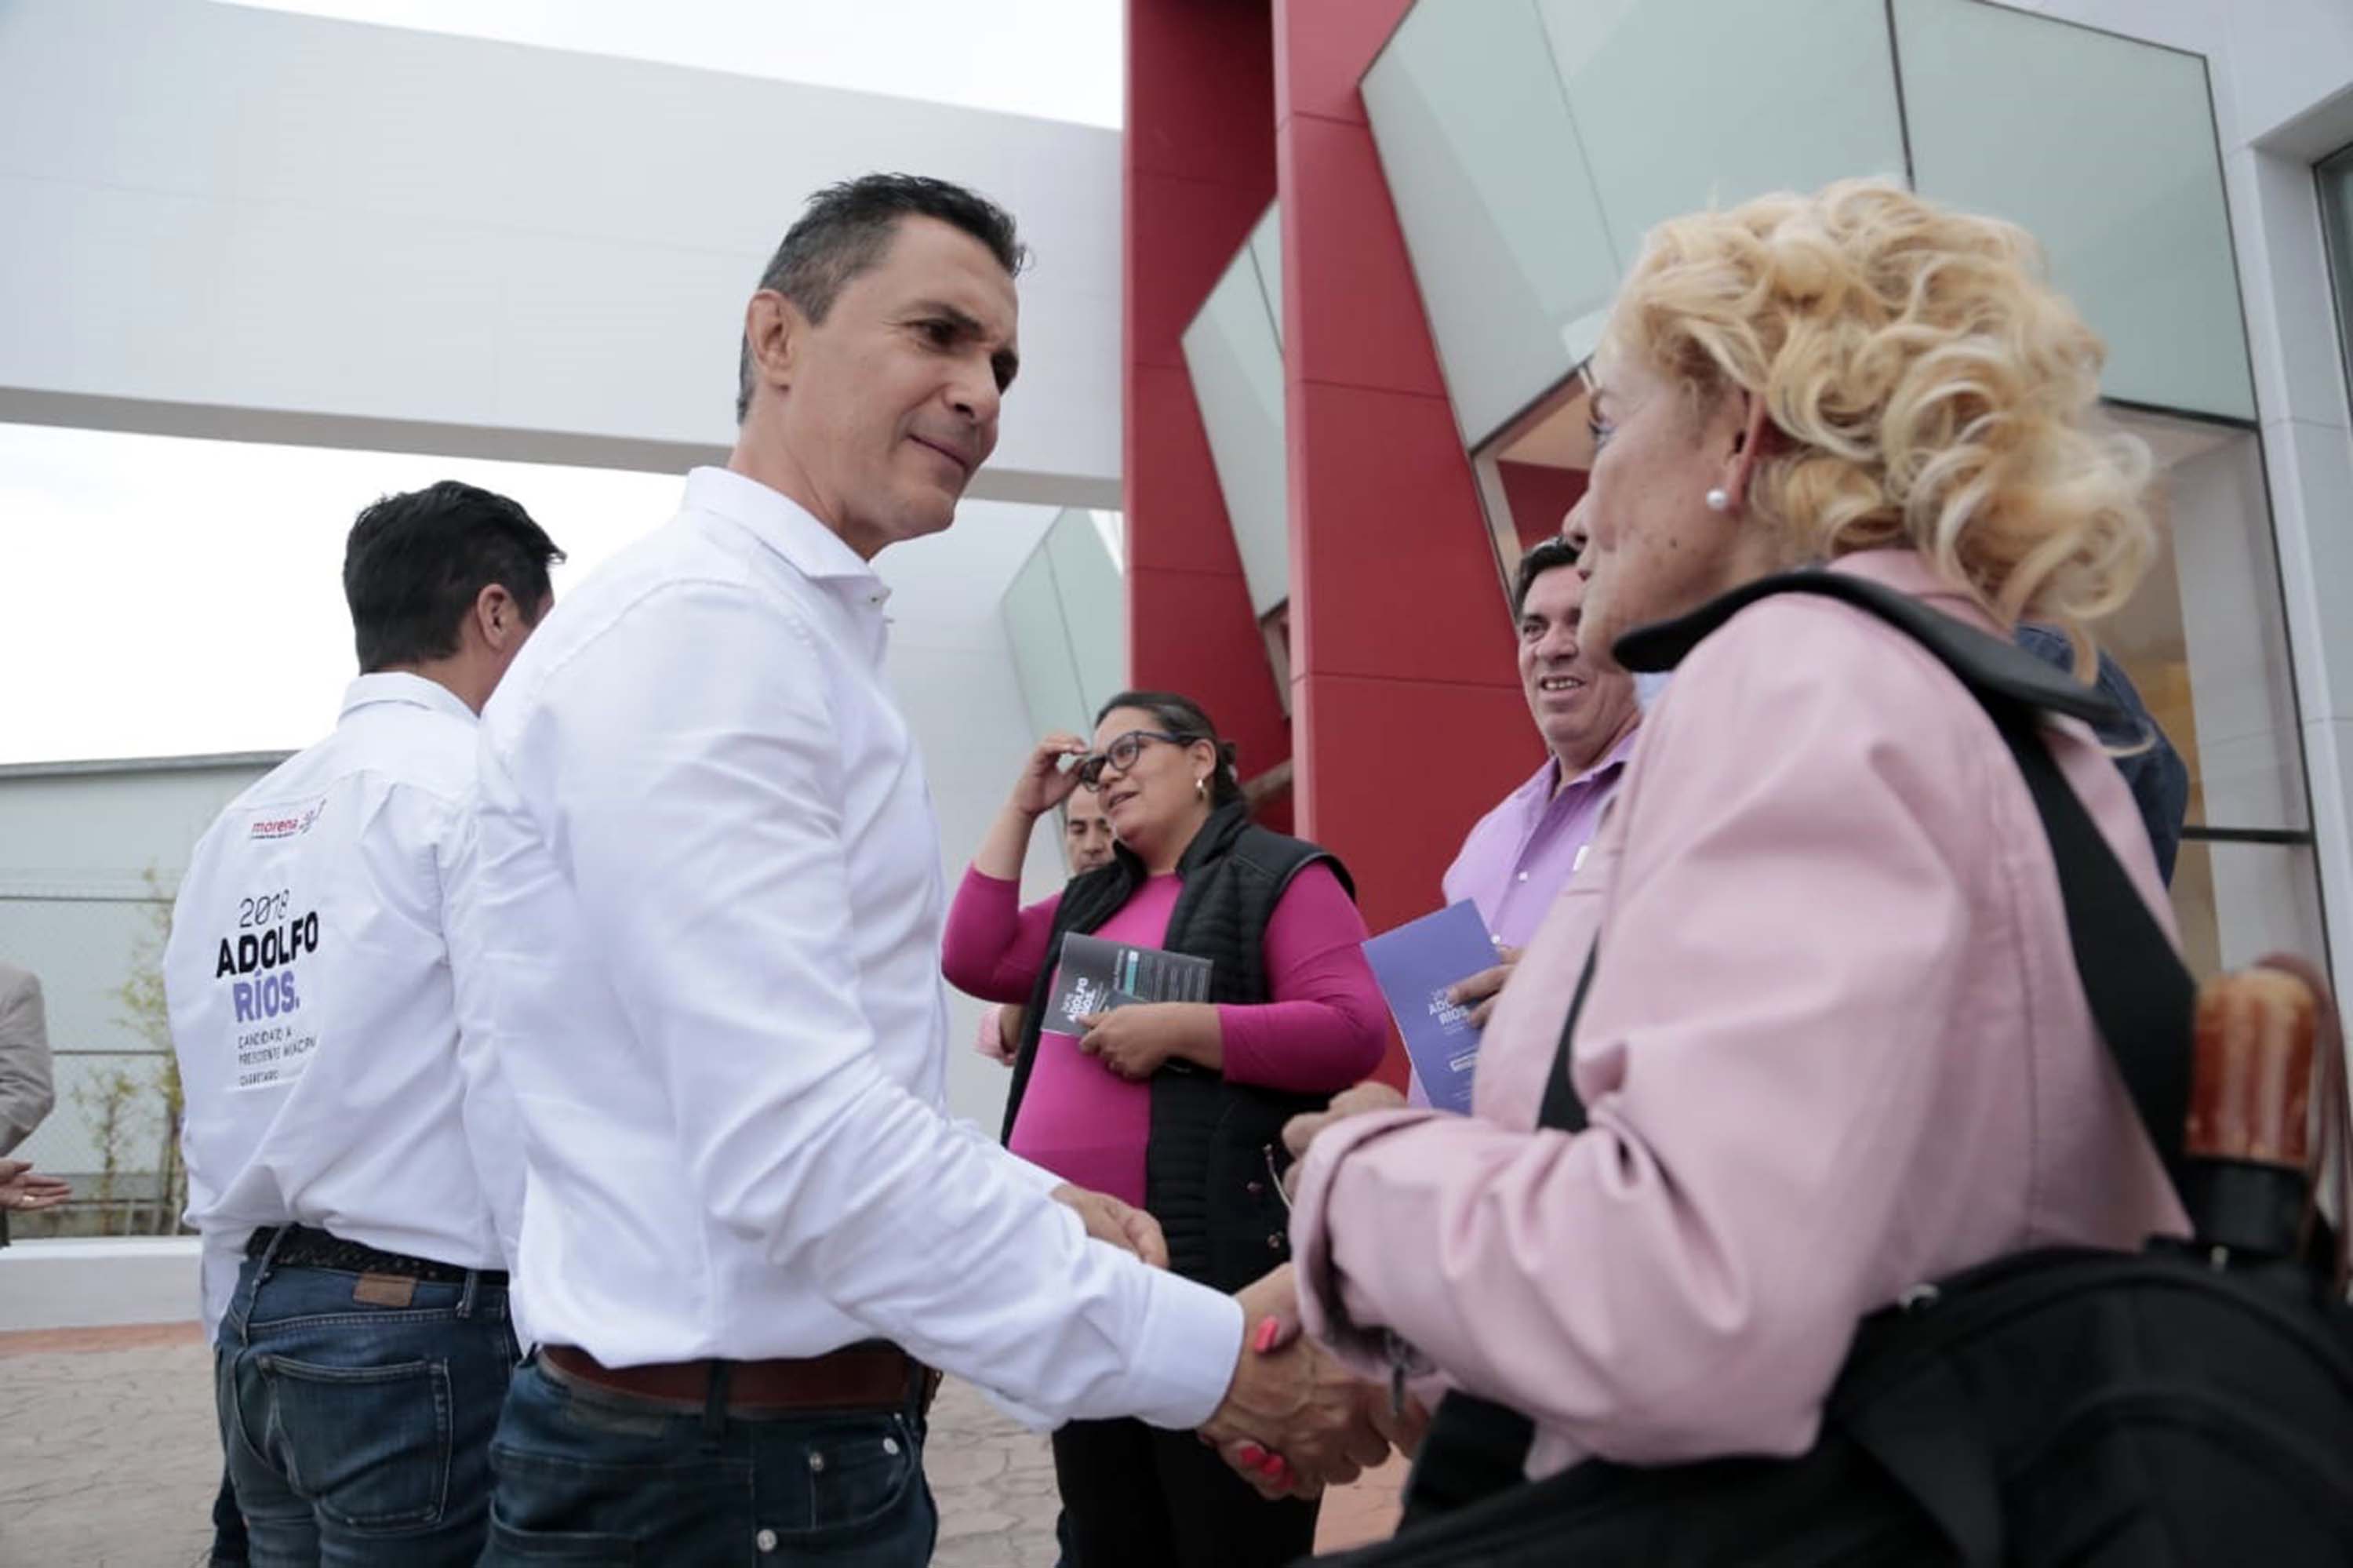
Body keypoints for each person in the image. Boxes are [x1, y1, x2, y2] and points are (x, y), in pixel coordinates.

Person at [460, 174, 1389, 1566]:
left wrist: (1028, 1205)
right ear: (777, 337)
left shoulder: (777, 637)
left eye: (1002, 362)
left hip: (760, 1454)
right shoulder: (709, 638)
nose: (982, 393)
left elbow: (810, 1097)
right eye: (939, 335)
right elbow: (799, 1141)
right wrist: (1219, 1357)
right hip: (716, 1475)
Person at [1282, 180, 2186, 1491]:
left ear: (1739, 433)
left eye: (1607, 425)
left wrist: (1358, 1176)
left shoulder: (1797, 675)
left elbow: (1686, 1302)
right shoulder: (1992, 698)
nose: (1581, 511)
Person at [164, 481, 562, 1566]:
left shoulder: (239, 827)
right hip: (420, 1322)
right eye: (542, 629)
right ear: (494, 612)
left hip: (260, 1320)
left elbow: (211, 1088)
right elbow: (510, 1066)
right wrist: (556, 1329)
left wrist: (226, 1312)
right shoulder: (474, 790)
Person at [943, 691, 1389, 1567]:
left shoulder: (1276, 873)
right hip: (1083, 1278)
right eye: (1096, 763)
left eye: (1129, 749)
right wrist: (1023, 805)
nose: (1107, 775)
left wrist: (1185, 1029)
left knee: (1223, 1532)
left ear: (1201, 761)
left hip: (1210, 1269)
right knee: (1112, 1532)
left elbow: (1352, 1026)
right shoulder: (1093, 898)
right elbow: (972, 956)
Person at [976, 786, 1117, 1067]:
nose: (1091, 845)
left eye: (1106, 828)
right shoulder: (1055, 914)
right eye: (1077, 830)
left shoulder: (1157, 905)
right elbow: (1000, 1039)